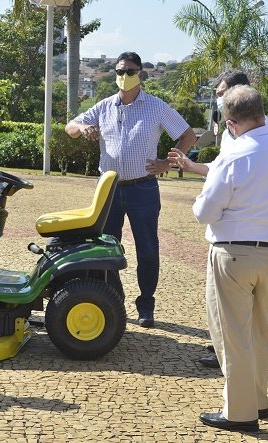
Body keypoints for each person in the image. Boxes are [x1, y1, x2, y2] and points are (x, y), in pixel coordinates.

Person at [189, 85, 268, 432]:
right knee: (260, 330)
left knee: (232, 333)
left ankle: (240, 412)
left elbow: (204, 212)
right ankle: (258, 399)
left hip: (233, 253)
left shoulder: (234, 156)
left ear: (232, 122)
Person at [65, 51, 196, 328]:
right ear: (115, 74)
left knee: (147, 249)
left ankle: (146, 304)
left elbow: (188, 135)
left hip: (143, 188)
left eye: (130, 71)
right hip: (109, 189)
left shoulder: (156, 107)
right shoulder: (104, 107)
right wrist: (83, 126)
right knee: (107, 248)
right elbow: (70, 127)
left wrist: (167, 163)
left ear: (141, 74)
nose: (124, 77)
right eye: (120, 71)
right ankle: (114, 298)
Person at [169, 69, 268, 369]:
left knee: (232, 313)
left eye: (220, 94)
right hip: (266, 243)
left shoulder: (242, 137)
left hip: (235, 240)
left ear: (237, 95)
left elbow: (211, 201)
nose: (216, 99)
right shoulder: (261, 138)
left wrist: (207, 203)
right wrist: (193, 166)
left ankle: (233, 374)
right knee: (247, 319)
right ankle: (230, 361)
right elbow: (223, 170)